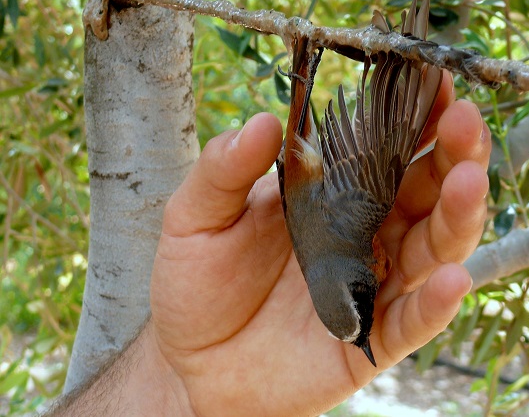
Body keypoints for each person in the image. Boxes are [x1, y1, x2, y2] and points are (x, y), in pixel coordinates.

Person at [48, 73, 490, 416]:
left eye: (365, 299)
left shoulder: (356, 229)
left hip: (314, 175)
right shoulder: (346, 255)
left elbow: (368, 160)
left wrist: (178, 383)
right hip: (301, 180)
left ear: (356, 284)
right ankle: (307, 65)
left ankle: (310, 64)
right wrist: (179, 388)